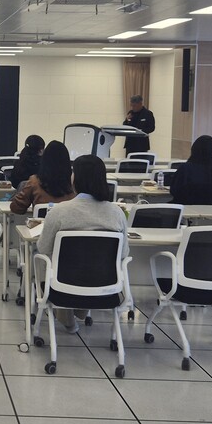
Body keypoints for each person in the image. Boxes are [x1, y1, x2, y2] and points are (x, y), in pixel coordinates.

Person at [36, 155, 128, 333]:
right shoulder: (117, 213)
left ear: (76, 178)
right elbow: (123, 253)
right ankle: (80, 310)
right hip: (105, 286)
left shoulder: (59, 211)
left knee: (45, 259)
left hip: (63, 285)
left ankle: (67, 315)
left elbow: (43, 247)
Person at [10, 140, 76, 214]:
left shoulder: (34, 182)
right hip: (67, 221)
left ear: (44, 159)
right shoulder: (74, 184)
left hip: (41, 221)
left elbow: (16, 208)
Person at [170, 135, 212, 201]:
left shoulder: (185, 168)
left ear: (194, 149)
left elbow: (174, 190)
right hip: (210, 206)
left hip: (186, 205)